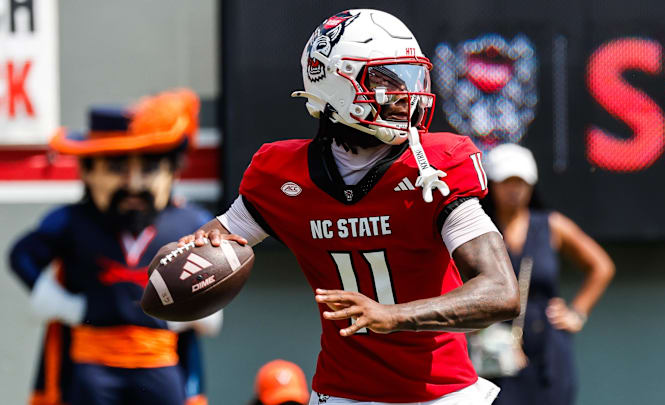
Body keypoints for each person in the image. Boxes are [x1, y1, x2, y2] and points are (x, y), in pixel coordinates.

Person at [175, 9, 519, 405]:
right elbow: (217, 240)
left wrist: (393, 316)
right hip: (342, 394)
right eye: (386, 80)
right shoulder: (282, 175)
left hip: (442, 394)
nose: (406, 96)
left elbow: (501, 292)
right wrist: (190, 254)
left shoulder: (435, 167)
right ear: (335, 83)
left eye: (409, 78)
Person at [9, 89, 222, 405]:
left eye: (149, 170)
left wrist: (200, 309)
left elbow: (220, 262)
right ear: (87, 172)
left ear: (173, 172)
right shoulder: (70, 222)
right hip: (91, 366)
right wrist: (63, 305)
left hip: (160, 363)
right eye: (117, 169)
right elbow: (21, 255)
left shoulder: (192, 223)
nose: (133, 185)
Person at [481, 143, 615, 405]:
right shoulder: (476, 229)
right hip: (493, 351)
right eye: (507, 182)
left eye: (521, 182)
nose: (514, 190)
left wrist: (578, 312)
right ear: (492, 184)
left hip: (548, 352)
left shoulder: (552, 226)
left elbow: (601, 266)